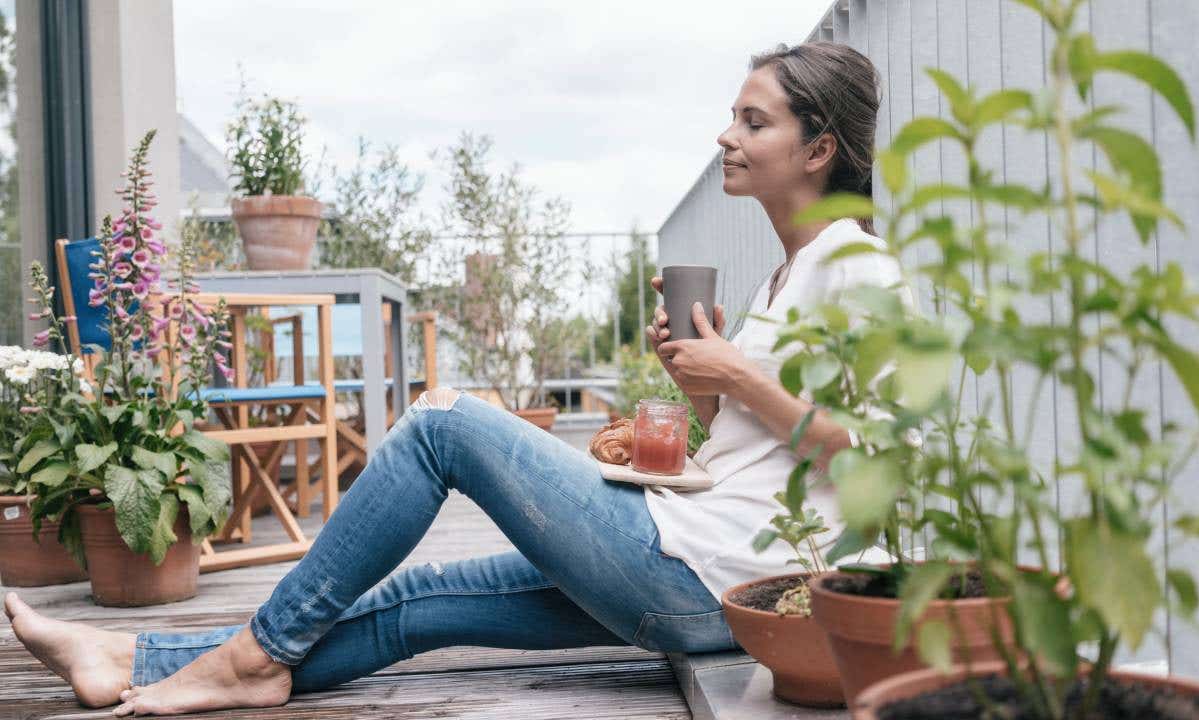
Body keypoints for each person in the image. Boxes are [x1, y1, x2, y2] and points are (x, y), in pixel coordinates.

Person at [4, 41, 907, 716]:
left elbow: (879, 463)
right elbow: (755, 451)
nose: (728, 135)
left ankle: (250, 656)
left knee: (445, 427)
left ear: (819, 148)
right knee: (415, 604)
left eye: (755, 121)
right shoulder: (791, 276)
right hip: (700, 570)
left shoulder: (860, 270)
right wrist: (703, 383)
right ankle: (135, 661)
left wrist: (738, 375)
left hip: (707, 576)